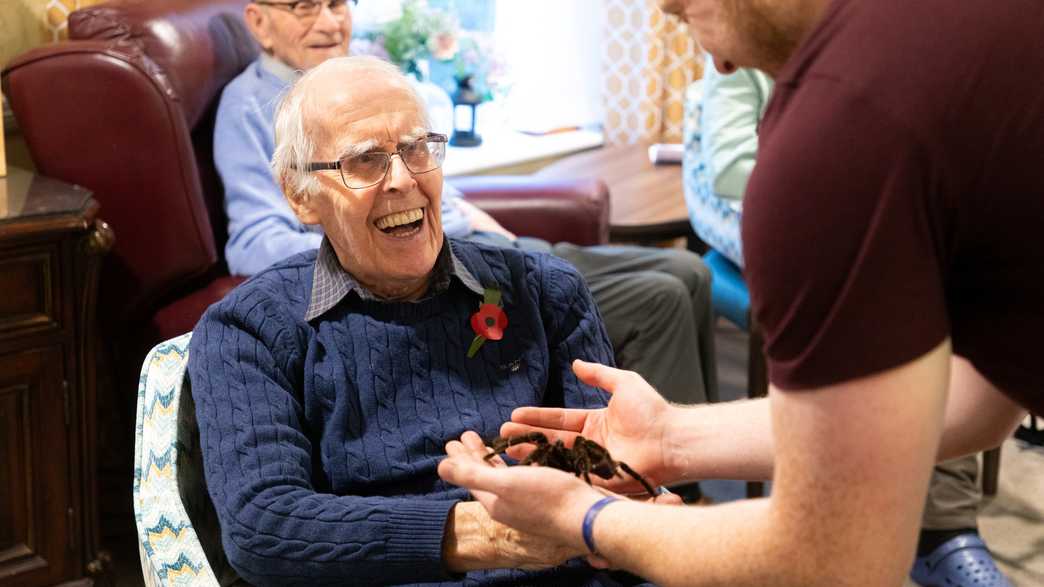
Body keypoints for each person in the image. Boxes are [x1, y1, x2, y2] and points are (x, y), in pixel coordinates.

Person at [438, 0, 1042, 585]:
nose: (719, 65)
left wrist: (580, 517)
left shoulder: (837, 131)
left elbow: (831, 560)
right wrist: (671, 439)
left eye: (684, 13)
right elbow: (974, 399)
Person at [189, 55, 672, 586]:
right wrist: (489, 533)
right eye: (365, 160)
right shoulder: (251, 330)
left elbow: (605, 474)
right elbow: (264, 529)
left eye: (416, 149)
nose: (401, 179)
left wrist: (631, 502)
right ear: (300, 195)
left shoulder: (544, 291)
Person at [215, 0, 717, 410]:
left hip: (488, 247)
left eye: (336, 3)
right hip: (445, 263)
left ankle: (692, 460)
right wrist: (368, 237)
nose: (327, 21)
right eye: (304, 7)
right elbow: (253, 239)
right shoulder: (251, 107)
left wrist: (502, 236)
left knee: (689, 271)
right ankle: (678, 497)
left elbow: (437, 187)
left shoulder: (374, 86)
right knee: (660, 298)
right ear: (258, 21)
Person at [685, 55, 1010, 586]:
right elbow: (731, 168)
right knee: (878, 288)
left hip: (855, 216)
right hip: (755, 212)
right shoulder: (738, 45)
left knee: (933, 283)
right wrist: (850, 189)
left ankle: (941, 526)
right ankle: (889, 524)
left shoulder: (865, 44)